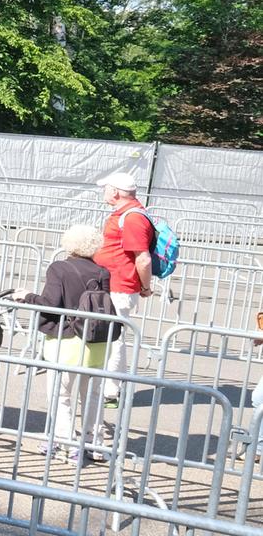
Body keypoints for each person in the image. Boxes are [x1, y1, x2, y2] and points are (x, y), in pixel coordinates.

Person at [17, 225, 119, 466]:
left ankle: (67, 444)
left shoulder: (59, 269)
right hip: (96, 342)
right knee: (92, 396)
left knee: (60, 396)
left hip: (66, 341)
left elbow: (50, 303)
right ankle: (94, 445)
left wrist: (27, 296)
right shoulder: (102, 273)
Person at [94, 172, 152, 408]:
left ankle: (110, 390)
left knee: (114, 338)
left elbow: (143, 259)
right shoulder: (125, 215)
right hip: (113, 284)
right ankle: (107, 387)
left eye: (106, 188)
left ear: (116, 192)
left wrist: (146, 287)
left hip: (120, 286)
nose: (104, 192)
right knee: (109, 336)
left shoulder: (132, 218)